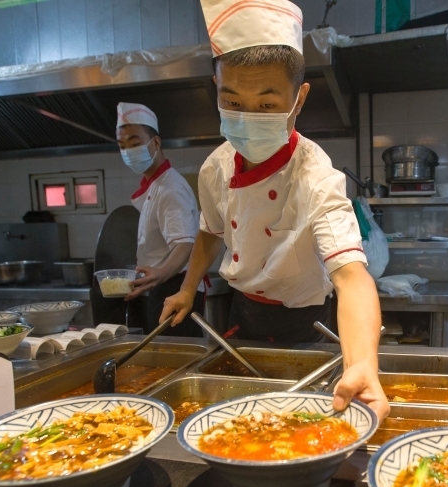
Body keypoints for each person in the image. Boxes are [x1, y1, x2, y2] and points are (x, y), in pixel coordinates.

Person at [160, 0, 389, 419]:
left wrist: (362, 365)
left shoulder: (316, 176)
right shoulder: (215, 169)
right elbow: (211, 232)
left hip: (307, 325)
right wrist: (188, 288)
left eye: (266, 106)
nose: (247, 120)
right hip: (241, 314)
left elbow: (352, 276)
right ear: (216, 89)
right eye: (231, 102)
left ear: (299, 98)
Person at [116, 102, 203, 337]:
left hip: (175, 289)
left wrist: (161, 273)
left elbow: (185, 244)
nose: (128, 151)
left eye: (134, 143)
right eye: (122, 146)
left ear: (155, 143)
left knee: (174, 362)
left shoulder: (169, 189)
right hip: (164, 286)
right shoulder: (156, 185)